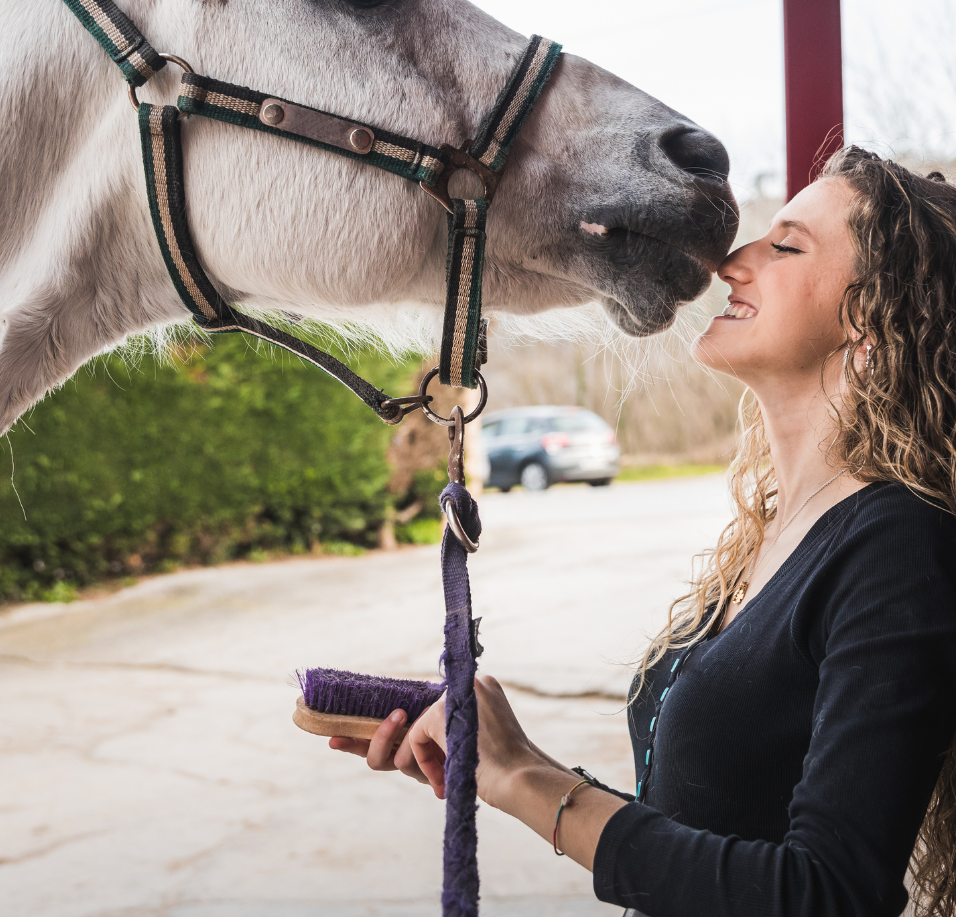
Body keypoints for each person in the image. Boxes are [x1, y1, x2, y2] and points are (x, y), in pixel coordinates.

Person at [329, 147, 956, 917]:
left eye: (785, 245)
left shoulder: (898, 545)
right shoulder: (770, 533)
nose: (732, 262)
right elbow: (705, 829)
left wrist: (532, 780)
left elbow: (827, 894)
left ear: (874, 316)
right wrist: (494, 754)